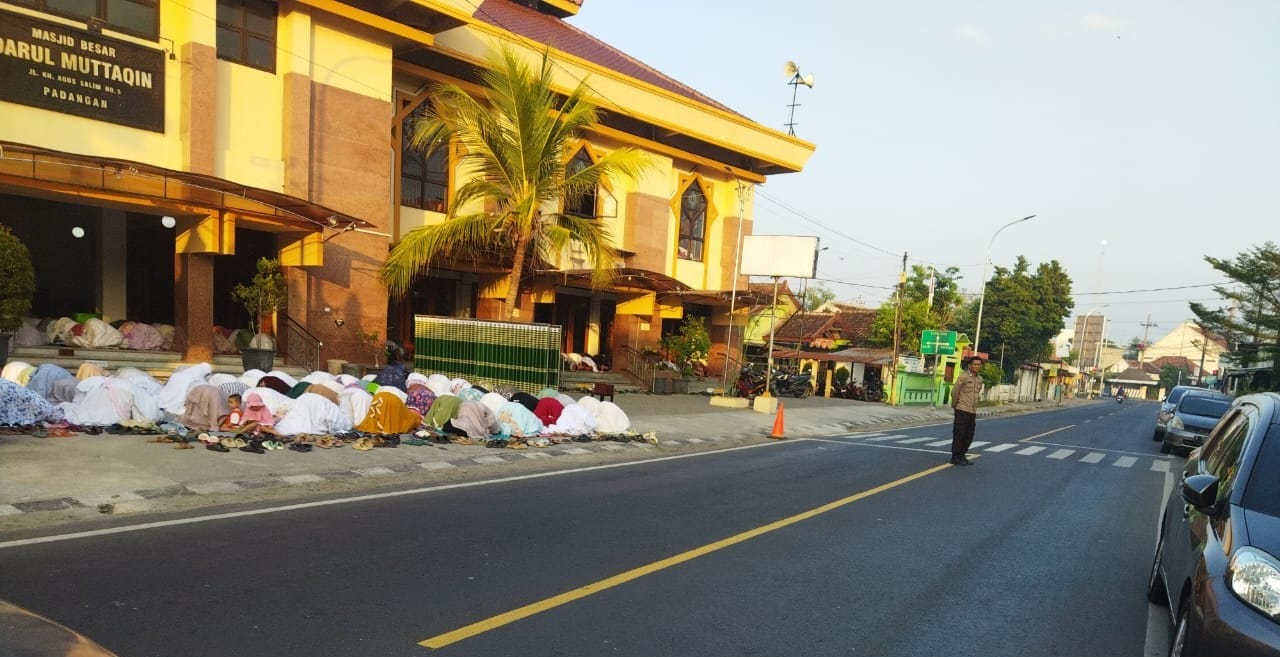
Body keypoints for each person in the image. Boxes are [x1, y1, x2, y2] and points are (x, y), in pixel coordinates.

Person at [950, 356, 984, 466]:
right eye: (975, 364)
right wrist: (955, 405)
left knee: (969, 435)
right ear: (969, 365)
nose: (977, 366)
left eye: (979, 364)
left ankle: (962, 455)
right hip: (962, 409)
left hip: (972, 411)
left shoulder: (980, 379)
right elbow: (955, 392)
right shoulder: (963, 377)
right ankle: (955, 457)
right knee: (959, 434)